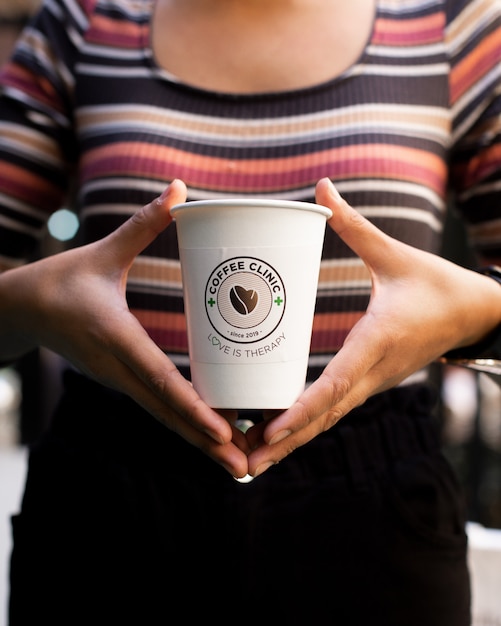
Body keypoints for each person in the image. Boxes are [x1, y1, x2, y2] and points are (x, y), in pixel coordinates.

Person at [1, 0, 501, 623]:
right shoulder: (82, 19)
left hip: (374, 508)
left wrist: (473, 312)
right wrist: (32, 306)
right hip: (106, 498)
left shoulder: (456, 23)